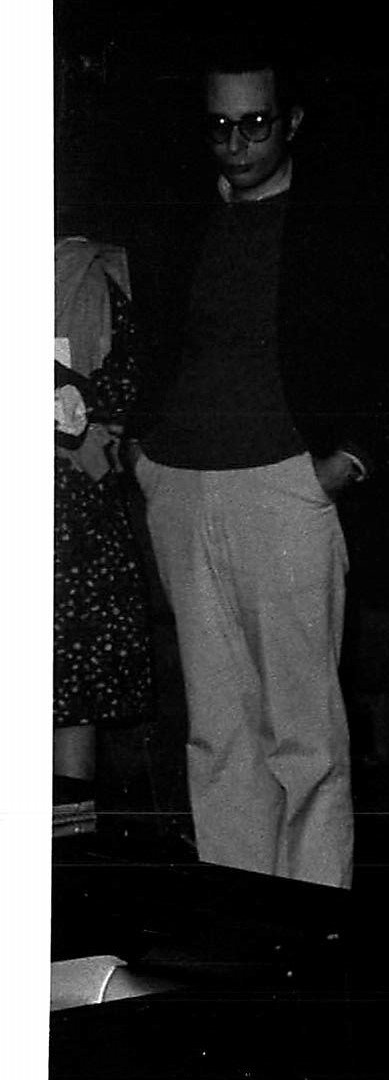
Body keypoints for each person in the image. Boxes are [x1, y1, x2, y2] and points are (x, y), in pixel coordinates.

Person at [129, 54, 389, 889]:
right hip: (182, 482)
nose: (237, 142)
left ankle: (310, 921)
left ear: (292, 121)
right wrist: (143, 453)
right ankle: (239, 918)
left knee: (302, 733)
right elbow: (153, 339)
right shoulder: (184, 219)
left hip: (285, 485)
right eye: (220, 126)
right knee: (216, 731)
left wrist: (349, 460)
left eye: (255, 123)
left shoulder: (336, 221)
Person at [55, 236, 155, 787]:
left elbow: (125, 386)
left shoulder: (88, 275)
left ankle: (66, 832)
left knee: (73, 685)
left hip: (74, 509)